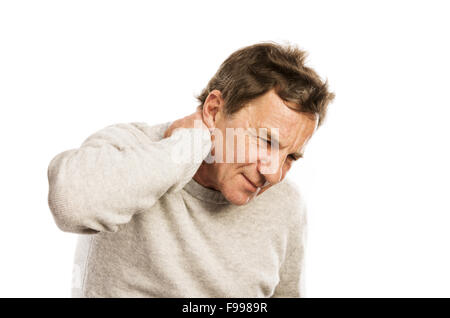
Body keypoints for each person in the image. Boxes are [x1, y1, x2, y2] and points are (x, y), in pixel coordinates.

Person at [47, 41, 335, 297]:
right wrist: (191, 142)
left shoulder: (286, 204)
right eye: (266, 141)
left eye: (291, 157)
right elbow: (69, 206)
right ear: (213, 110)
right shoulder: (130, 148)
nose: (273, 174)